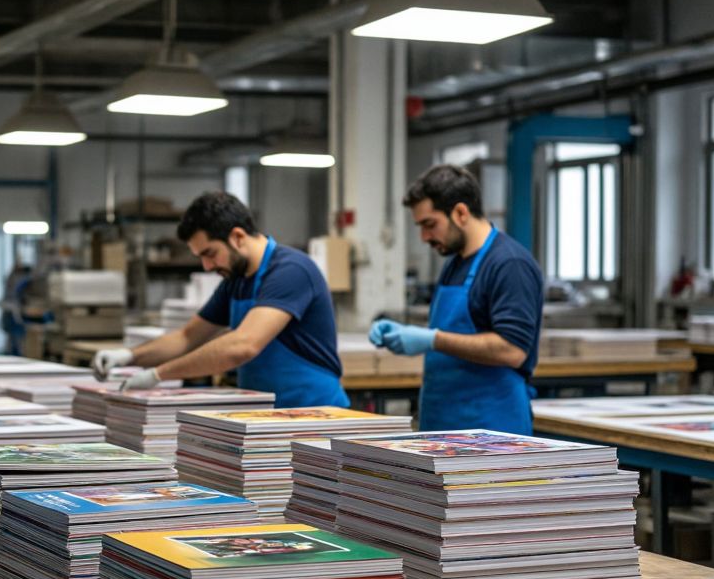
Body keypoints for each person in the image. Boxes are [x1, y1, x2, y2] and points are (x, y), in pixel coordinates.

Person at [94, 191, 349, 408]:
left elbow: (243, 345)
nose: (206, 266)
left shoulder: (290, 271)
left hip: (316, 415)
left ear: (237, 237)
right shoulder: (235, 281)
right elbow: (187, 337)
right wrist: (128, 356)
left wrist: (159, 374)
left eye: (210, 253)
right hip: (268, 417)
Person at [370, 164, 544, 435]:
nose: (425, 237)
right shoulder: (455, 264)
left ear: (461, 213)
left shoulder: (509, 264)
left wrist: (432, 339)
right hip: (442, 423)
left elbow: (512, 350)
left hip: (493, 431)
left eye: (430, 225)